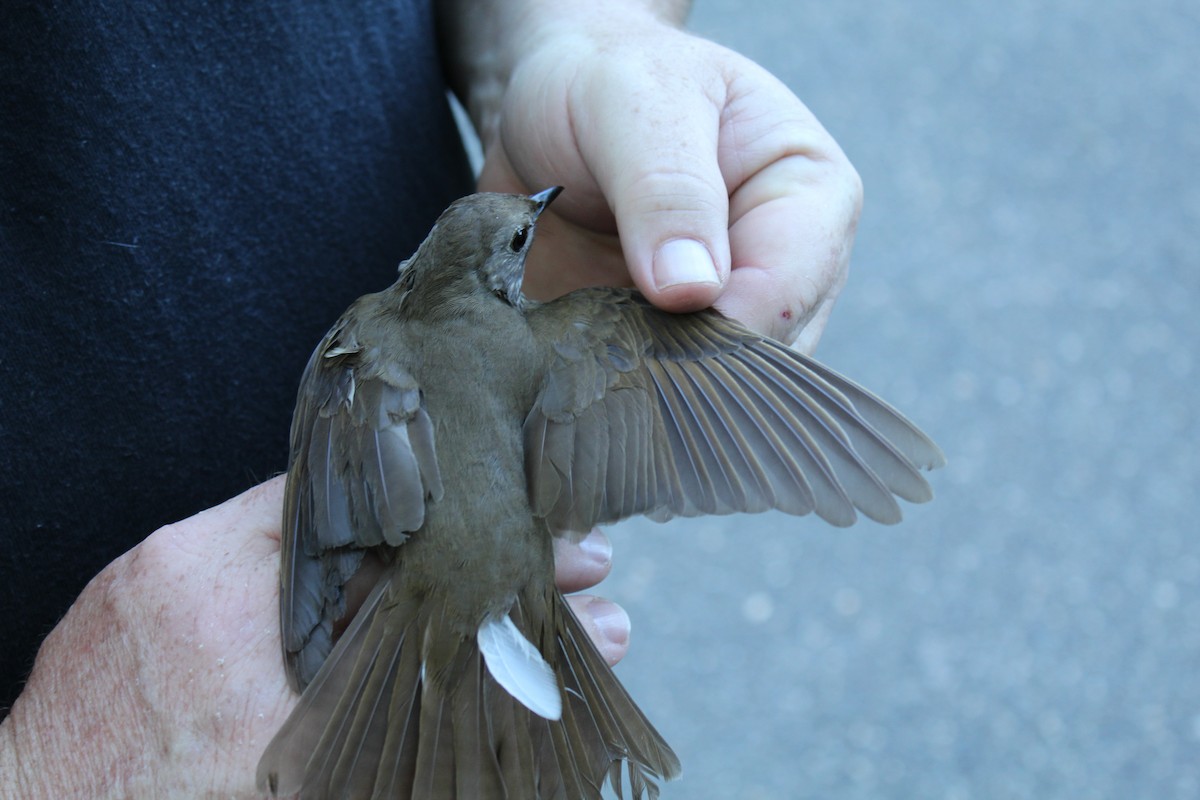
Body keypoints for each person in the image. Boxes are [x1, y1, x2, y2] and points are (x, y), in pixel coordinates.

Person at [0, 0, 861, 794]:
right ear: (498, 270)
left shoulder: (365, 340)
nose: (532, 215)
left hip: (349, 626)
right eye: (522, 228)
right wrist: (42, 768)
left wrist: (580, 38)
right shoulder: (572, 332)